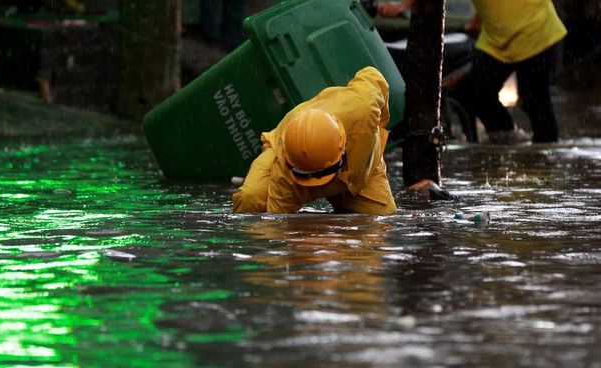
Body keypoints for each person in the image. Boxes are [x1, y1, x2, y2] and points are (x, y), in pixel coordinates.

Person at [378, 0, 567, 144]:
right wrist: (477, 21)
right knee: (474, 91)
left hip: (534, 30)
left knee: (535, 101)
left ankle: (545, 161)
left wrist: (401, 6)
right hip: (496, 38)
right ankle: (507, 139)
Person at [232, 66, 397, 215]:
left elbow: (374, 75)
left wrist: (378, 124)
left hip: (362, 173)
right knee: (250, 201)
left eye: (322, 175)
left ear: (343, 149)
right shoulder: (286, 167)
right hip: (291, 166)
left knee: (382, 219)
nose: (316, 183)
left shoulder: (362, 109)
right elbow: (278, 222)